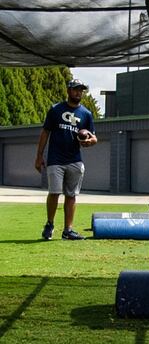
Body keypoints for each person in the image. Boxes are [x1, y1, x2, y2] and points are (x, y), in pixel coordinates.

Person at [35, 79, 98, 241]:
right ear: (68, 91)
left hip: (75, 160)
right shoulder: (56, 109)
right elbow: (45, 133)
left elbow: (94, 138)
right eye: (76, 90)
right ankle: (49, 224)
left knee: (71, 195)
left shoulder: (86, 114)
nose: (79, 93)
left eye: (81, 90)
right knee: (54, 192)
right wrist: (39, 155)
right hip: (56, 159)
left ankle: (68, 230)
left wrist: (89, 142)